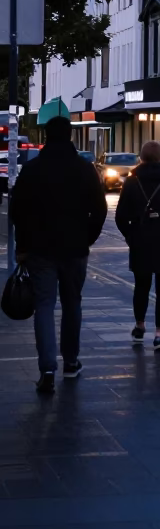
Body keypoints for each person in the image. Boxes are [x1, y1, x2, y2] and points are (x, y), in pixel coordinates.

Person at [10, 114, 107, 394]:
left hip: (40, 250)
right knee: (72, 303)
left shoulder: (33, 169)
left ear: (46, 138)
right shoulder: (84, 169)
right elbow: (99, 209)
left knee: (44, 305)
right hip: (74, 247)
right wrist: (87, 237)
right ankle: (71, 361)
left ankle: (47, 368)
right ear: (70, 137)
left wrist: (23, 247)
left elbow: (18, 212)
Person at [115, 139, 160, 350]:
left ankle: (139, 326)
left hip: (141, 239)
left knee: (141, 286)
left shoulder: (132, 180)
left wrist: (131, 235)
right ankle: (159, 335)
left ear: (142, 156)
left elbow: (121, 215)